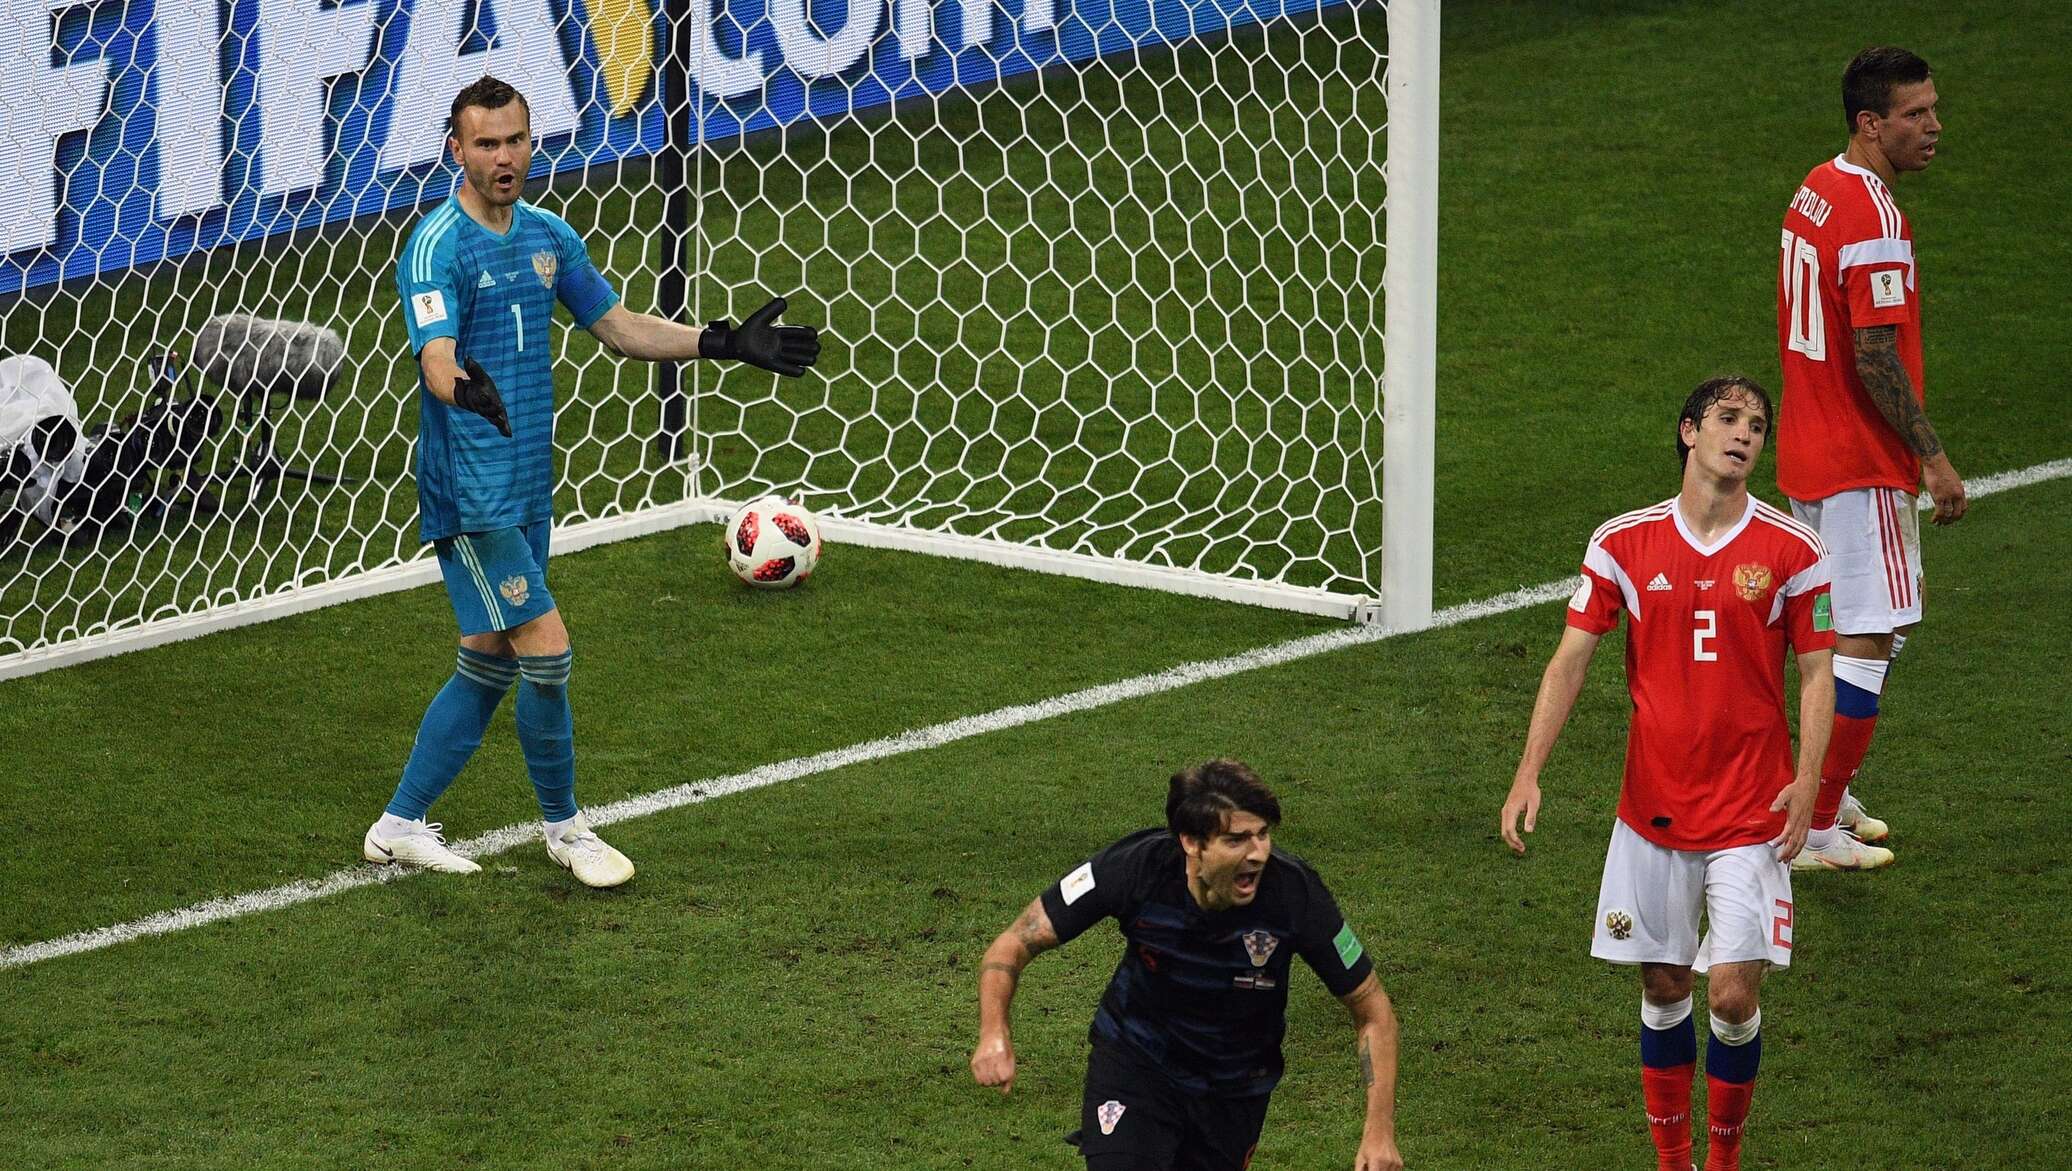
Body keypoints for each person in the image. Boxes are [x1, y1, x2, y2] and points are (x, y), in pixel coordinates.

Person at [361, 76, 820, 886]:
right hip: (471, 494)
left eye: (515, 140)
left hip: (527, 486)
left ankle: (397, 825)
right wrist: (462, 389)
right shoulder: (436, 247)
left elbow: (617, 326)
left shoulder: (548, 235)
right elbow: (436, 356)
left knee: (489, 657)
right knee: (547, 649)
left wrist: (720, 342)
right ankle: (566, 828)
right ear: (456, 150)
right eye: (486, 144)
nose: (504, 157)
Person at [1499, 378, 1834, 1171]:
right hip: (1653, 808)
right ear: (1688, 431)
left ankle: (1723, 1160)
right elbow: (1570, 659)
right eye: (1728, 419)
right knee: (1662, 985)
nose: (1744, 434)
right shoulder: (1622, 542)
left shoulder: (1794, 549)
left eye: (1758, 426)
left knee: (1732, 994)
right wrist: (1528, 771)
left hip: (1753, 807)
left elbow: (1819, 670)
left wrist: (1810, 781)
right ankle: (1673, 1162)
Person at [970, 759, 1403, 1171]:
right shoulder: (1135, 869)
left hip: (1234, 1090)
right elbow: (1013, 944)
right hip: (1137, 1063)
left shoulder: (1294, 894)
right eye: (1236, 840)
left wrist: (1379, 1131)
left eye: (1262, 834)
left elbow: (1373, 1011)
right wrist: (994, 1032)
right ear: (1191, 843)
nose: (1258, 853)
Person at [1775, 45, 1964, 870]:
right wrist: (1933, 457)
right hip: (1860, 458)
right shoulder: (1873, 218)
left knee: (1847, 631)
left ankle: (1826, 785)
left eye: (1933, 108)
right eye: (1915, 114)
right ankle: (1815, 825)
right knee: (1867, 638)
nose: (1934, 127)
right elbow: (1876, 354)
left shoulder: (1817, 187)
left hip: (1809, 445)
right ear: (1870, 123)